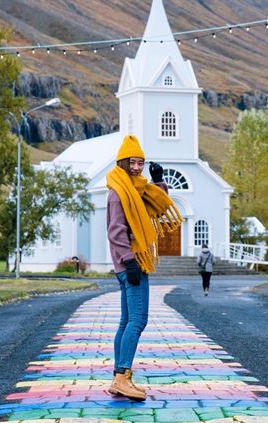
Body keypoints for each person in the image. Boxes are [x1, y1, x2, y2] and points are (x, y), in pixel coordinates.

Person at [105, 135, 182, 401]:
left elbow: (158, 205)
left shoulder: (138, 189)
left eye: (141, 162)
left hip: (133, 262)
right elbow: (116, 231)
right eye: (132, 162)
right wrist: (129, 260)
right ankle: (121, 377)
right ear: (122, 162)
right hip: (131, 263)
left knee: (127, 320)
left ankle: (119, 377)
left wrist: (158, 180)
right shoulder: (119, 192)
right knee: (138, 320)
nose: (137, 167)